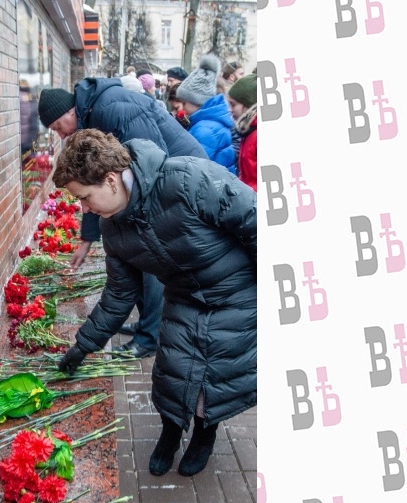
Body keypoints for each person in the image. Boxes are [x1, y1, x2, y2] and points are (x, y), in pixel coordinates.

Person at [54, 129, 256, 477]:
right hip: (183, 295)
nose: (84, 208)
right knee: (172, 370)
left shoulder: (186, 178)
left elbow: (253, 219)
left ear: (110, 180)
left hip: (234, 291)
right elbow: (119, 294)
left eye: (85, 197)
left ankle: (204, 433)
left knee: (216, 374)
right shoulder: (113, 228)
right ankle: (170, 433)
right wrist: (83, 346)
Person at [37, 78, 209, 358]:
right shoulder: (92, 114)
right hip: (152, 183)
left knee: (150, 257)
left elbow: (152, 157)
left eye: (58, 126)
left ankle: (150, 336)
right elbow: (92, 185)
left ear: (70, 111)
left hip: (179, 180)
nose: (60, 134)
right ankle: (146, 324)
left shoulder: (112, 107)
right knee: (132, 255)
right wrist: (87, 238)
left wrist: (140, 213)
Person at [176, 54, 237, 174]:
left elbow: (193, 171)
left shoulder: (203, 129)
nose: (182, 108)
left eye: (184, 103)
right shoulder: (212, 123)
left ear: (197, 100)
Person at [227, 74, 257, 191]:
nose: (229, 109)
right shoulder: (247, 130)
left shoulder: (256, 134)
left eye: (233, 104)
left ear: (248, 105)